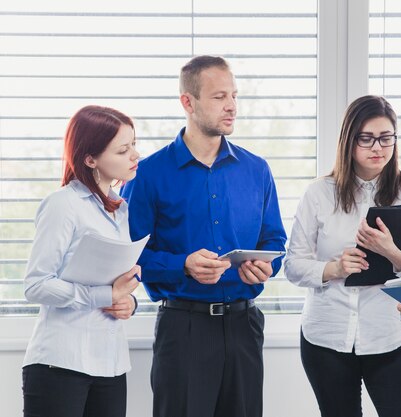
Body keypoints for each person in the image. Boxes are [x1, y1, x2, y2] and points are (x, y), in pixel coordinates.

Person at [120, 55, 287, 417]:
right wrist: (183, 265)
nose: (231, 106)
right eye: (218, 97)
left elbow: (275, 242)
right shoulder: (147, 174)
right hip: (184, 330)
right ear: (188, 102)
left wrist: (265, 267)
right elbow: (128, 258)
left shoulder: (257, 169)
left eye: (234, 96)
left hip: (244, 327)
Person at [284, 95, 401, 417]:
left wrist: (392, 253)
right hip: (325, 336)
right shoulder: (319, 193)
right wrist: (335, 268)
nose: (378, 148)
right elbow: (292, 265)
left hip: (389, 335)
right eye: (367, 138)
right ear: (349, 140)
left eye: (386, 138)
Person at [22, 105, 141, 417]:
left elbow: (114, 282)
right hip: (60, 363)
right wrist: (104, 295)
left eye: (134, 145)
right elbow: (36, 286)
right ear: (90, 159)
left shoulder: (120, 209)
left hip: (111, 364)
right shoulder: (62, 205)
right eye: (123, 150)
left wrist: (127, 302)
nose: (135, 156)